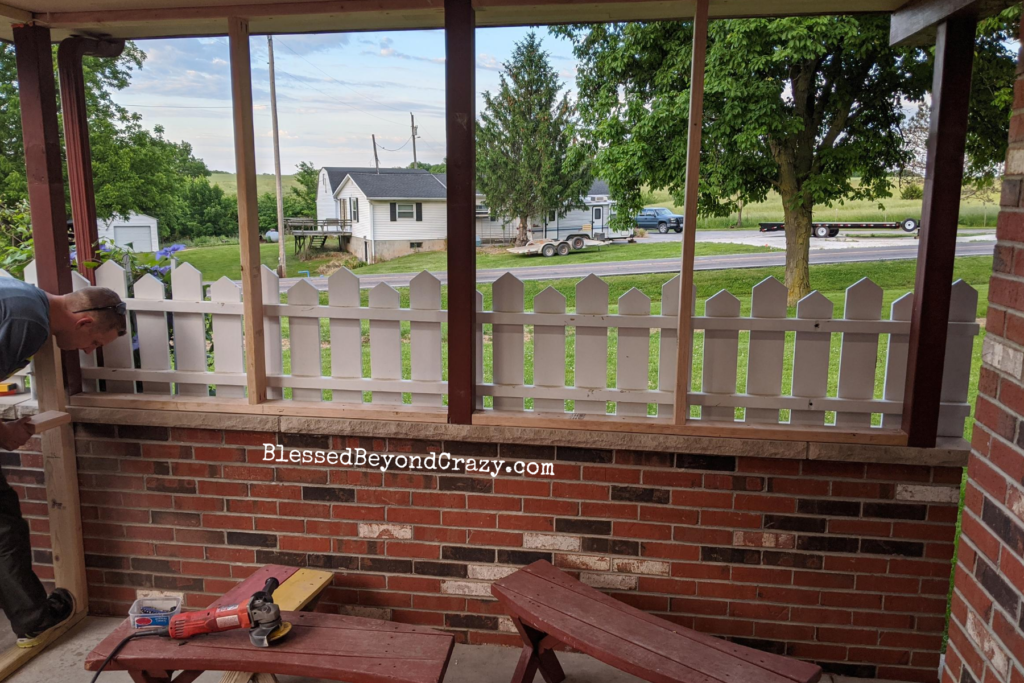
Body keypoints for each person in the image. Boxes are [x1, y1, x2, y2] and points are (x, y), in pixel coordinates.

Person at [0, 276, 126, 648]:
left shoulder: (22, 297)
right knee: (3, 526)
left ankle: (32, 616)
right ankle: (36, 619)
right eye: (94, 343)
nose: (88, 352)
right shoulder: (30, 322)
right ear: (84, 322)